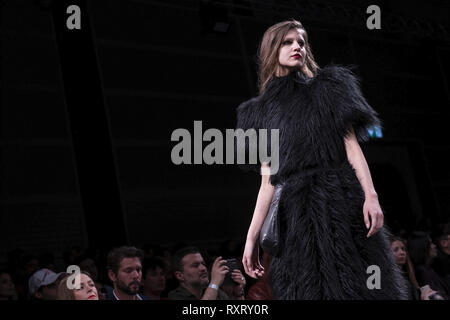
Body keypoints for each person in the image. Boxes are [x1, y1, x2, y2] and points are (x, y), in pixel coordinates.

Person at [236, 19, 408, 299]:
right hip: (294, 215)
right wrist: (251, 237)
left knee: (357, 283)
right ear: (271, 49)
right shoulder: (257, 113)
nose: (297, 47)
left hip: (340, 200)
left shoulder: (329, 89)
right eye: (288, 41)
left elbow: (352, 148)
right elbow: (268, 180)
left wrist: (371, 196)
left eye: (301, 42)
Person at [407, 231, 449, 299]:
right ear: (422, 247)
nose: (434, 246)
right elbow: (435, 295)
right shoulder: (421, 271)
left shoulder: (431, 268)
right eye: (430, 243)